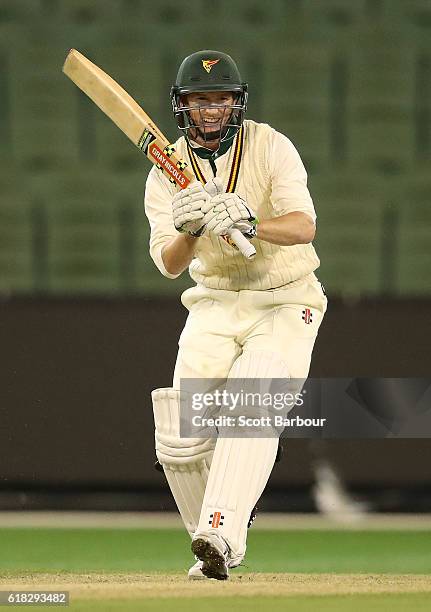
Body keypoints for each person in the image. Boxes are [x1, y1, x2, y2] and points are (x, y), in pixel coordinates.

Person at [145, 50, 327, 580]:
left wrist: (249, 219)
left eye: (220, 99)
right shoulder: (165, 174)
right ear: (183, 105)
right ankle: (219, 548)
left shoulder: (271, 146)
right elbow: (169, 264)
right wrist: (190, 227)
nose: (210, 110)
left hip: (285, 297)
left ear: (236, 103)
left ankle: (220, 530)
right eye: (200, 100)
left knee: (253, 398)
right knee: (181, 437)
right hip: (215, 302)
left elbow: (303, 226)